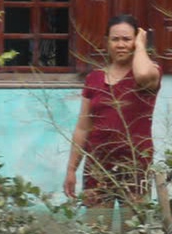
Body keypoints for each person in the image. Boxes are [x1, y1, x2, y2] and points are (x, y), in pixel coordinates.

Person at [65, 13, 162, 206]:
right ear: (106, 42)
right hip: (98, 165)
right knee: (97, 232)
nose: (120, 45)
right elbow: (83, 127)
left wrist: (142, 45)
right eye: (115, 39)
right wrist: (71, 169)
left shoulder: (150, 72)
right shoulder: (94, 78)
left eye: (127, 39)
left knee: (133, 232)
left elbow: (142, 73)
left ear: (136, 41)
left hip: (134, 164)